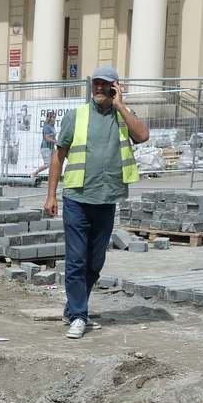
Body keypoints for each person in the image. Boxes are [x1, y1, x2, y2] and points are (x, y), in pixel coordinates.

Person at [43, 66, 150, 341]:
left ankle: (74, 308)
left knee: (95, 261)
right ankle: (79, 315)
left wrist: (121, 106)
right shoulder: (76, 116)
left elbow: (143, 135)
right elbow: (59, 156)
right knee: (76, 260)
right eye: (96, 85)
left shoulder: (122, 117)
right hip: (77, 198)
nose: (99, 89)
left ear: (115, 87)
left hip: (107, 198)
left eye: (105, 85)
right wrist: (51, 194)